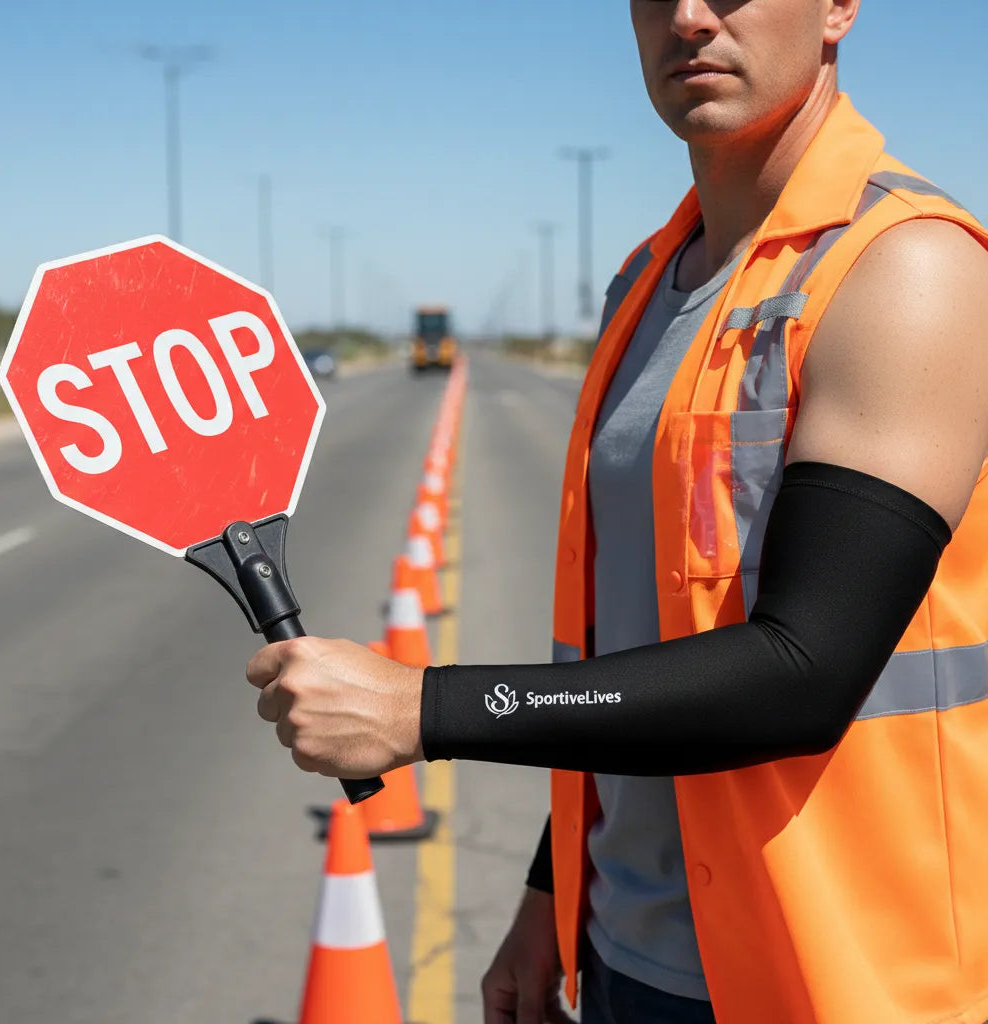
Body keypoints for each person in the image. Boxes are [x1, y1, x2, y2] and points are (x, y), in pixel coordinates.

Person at [244, 1, 988, 1020]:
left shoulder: (904, 266)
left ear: (837, 8)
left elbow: (806, 667)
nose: (687, 16)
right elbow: (632, 645)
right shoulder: (643, 286)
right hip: (627, 956)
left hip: (846, 967)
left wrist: (421, 708)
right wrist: (550, 899)